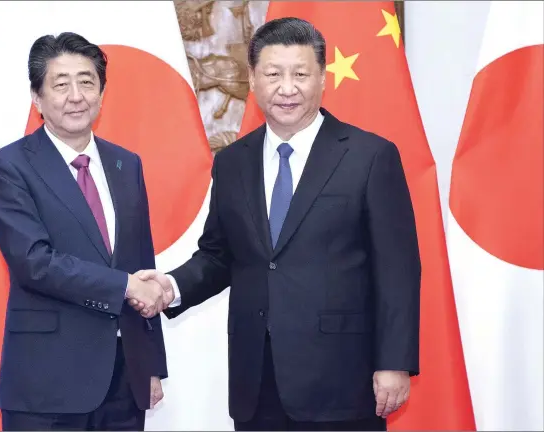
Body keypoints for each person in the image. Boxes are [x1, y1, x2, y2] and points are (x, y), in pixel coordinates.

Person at [134, 17, 421, 431]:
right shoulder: (233, 162)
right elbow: (219, 255)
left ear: (323, 79)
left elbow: (398, 270)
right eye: (273, 74)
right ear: (253, 80)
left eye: (301, 74)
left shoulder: (370, 156)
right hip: (257, 379)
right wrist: (171, 287)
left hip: (342, 381)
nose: (287, 88)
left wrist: (394, 363)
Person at [0, 32, 169, 431]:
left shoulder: (127, 164)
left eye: (87, 82)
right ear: (37, 98)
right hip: (47, 384)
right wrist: (125, 286)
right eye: (60, 83)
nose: (76, 95)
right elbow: (34, 263)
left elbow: (141, 263)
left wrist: (151, 365)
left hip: (124, 378)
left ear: (102, 93)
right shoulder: (9, 167)